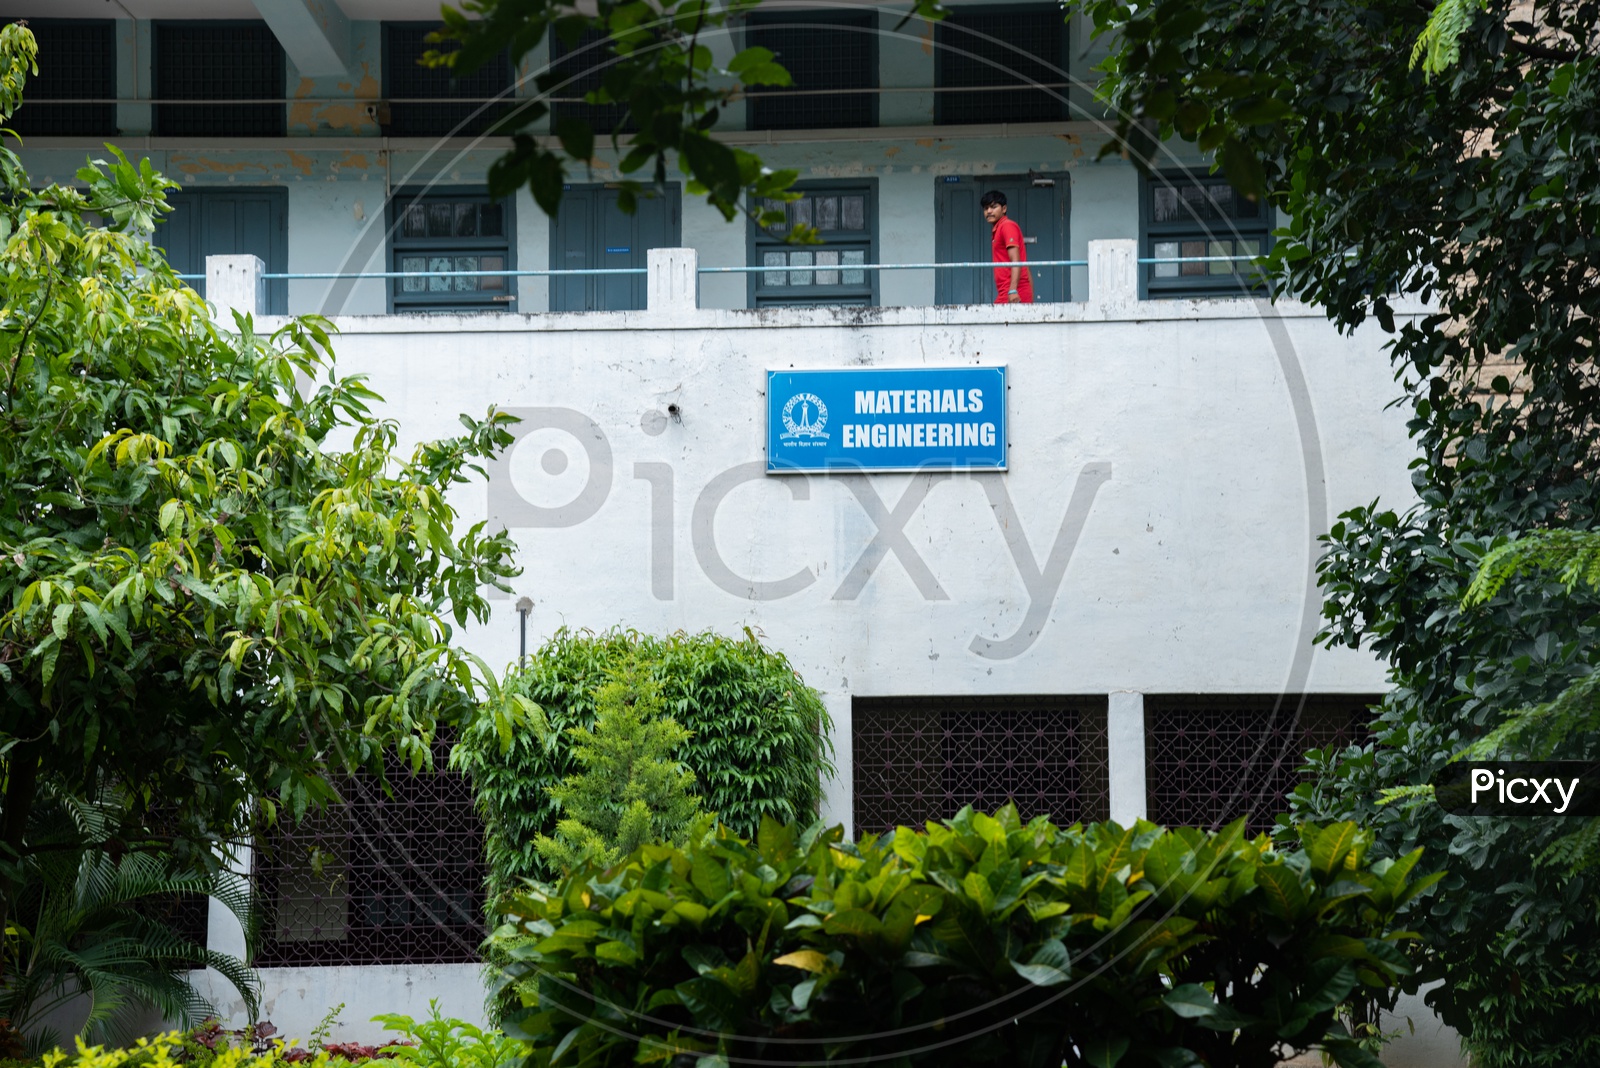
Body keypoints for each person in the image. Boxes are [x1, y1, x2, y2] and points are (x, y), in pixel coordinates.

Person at [982, 190, 1033, 304]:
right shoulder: (999, 229)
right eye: (986, 208)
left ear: (1004, 209)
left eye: (993, 207)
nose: (989, 211)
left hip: (1013, 293)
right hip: (1010, 292)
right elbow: (1025, 265)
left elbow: (1016, 260)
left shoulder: (1007, 226)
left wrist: (1013, 290)